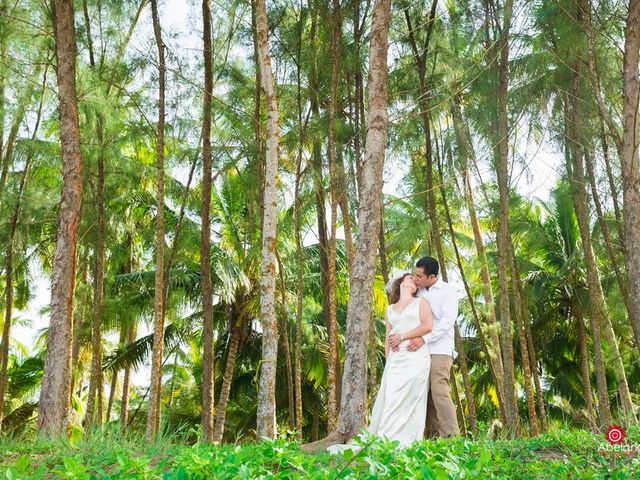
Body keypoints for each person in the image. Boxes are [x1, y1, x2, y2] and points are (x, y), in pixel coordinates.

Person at [328, 273, 433, 453]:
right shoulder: (390, 309)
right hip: (396, 361)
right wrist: (389, 362)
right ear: (400, 283)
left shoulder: (421, 303)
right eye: (410, 278)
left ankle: (407, 442)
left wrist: (403, 336)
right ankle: (387, 439)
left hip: (416, 358)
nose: (414, 281)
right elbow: (387, 339)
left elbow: (428, 326)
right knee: (392, 400)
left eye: (416, 280)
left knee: (411, 399)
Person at [398, 255, 460, 438]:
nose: (416, 279)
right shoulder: (419, 290)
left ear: (432, 277)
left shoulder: (448, 291)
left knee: (439, 390)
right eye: (415, 276)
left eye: (419, 277)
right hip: (419, 350)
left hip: (440, 349)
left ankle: (452, 436)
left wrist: (424, 338)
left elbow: (447, 322)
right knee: (425, 394)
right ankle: (433, 437)